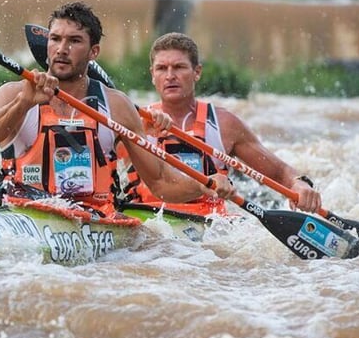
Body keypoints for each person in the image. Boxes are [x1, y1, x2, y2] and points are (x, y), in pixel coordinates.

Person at [0, 2, 232, 218]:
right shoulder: (14, 92)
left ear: (93, 52)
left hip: (96, 219)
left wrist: (205, 184)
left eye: (74, 41)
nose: (62, 49)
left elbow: (160, 184)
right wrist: (25, 103)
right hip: (22, 212)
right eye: (55, 39)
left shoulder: (117, 106)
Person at [121, 33, 322, 217]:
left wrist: (299, 184)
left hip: (211, 227)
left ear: (197, 72)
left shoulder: (224, 124)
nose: (170, 75)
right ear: (152, 74)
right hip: (148, 220)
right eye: (162, 68)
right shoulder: (132, 120)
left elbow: (279, 172)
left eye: (179, 67)